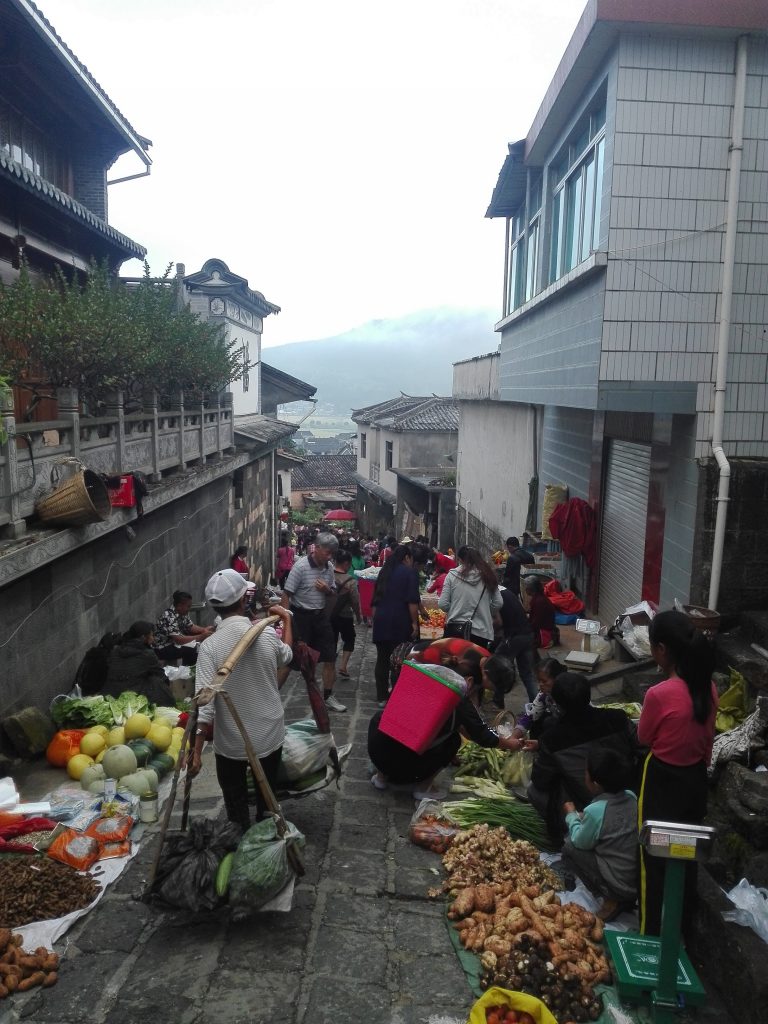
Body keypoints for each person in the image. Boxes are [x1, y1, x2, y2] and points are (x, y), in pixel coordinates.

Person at [188, 569, 294, 830]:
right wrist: (287, 621)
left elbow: (204, 705)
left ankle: (238, 830)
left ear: (214, 606)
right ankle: (266, 827)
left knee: (234, 805)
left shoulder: (210, 647)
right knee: (267, 800)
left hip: (232, 740)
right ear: (243, 600)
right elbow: (288, 657)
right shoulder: (266, 633)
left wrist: (196, 751)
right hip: (269, 732)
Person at [637, 609, 718, 938]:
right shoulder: (708, 688)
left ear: (661, 650)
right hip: (696, 781)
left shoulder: (658, 694)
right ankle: (680, 938)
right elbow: (708, 739)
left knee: (653, 862)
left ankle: (650, 937)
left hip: (662, 781)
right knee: (685, 855)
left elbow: (644, 738)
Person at [368, 654, 523, 799]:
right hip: (406, 766)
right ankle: (422, 789)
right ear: (468, 681)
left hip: (377, 751)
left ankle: (380, 778)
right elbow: (482, 734)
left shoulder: (424, 676)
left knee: (390, 721)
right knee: (454, 740)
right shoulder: (458, 699)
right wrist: (510, 743)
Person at [527, 672, 638, 843]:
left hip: (586, 800)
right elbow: (639, 746)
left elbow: (541, 780)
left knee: (534, 791)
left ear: (557, 704)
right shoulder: (617, 718)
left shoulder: (553, 738)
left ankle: (563, 831)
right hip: (626, 791)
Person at [561, 746, 638, 922]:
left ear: (595, 784)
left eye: (586, 773)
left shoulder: (596, 811)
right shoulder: (631, 797)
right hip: (634, 882)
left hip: (618, 884)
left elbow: (579, 841)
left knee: (569, 846)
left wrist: (571, 815)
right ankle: (620, 897)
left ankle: (611, 899)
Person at [281, 531, 346, 712]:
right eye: (327, 552)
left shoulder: (329, 568)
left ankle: (328, 695)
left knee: (330, 656)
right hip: (300, 618)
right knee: (291, 660)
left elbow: (333, 593)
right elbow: (287, 594)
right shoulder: (300, 567)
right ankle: (271, 695)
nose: (329, 556)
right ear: (316, 548)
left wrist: (327, 590)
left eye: (332, 553)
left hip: (320, 617)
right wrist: (286, 621)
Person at [371, 543, 421, 705]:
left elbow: (375, 600)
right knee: (398, 658)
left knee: (382, 659)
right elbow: (412, 603)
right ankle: (396, 694)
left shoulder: (385, 572)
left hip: (381, 619)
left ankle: (381, 696)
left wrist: (374, 620)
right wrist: (415, 623)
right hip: (399, 621)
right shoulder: (410, 573)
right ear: (407, 558)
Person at [438, 546, 503, 648]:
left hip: (455, 629)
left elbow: (442, 604)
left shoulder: (451, 575)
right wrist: (484, 612)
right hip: (481, 632)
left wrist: (456, 609)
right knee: (476, 662)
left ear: (460, 559)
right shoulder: (488, 575)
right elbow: (498, 602)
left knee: (453, 661)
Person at [102, 621, 174, 706]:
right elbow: (161, 676)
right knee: (157, 683)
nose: (153, 638)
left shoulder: (115, 649)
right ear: (143, 637)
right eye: (151, 635)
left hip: (110, 693)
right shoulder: (147, 654)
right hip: (129, 695)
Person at [495, 586, 537, 703]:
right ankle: (536, 705)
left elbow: (498, 622)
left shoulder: (494, 595)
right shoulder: (506, 591)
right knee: (527, 674)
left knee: (497, 666)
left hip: (514, 637)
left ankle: (498, 702)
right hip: (527, 634)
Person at [513, 657, 567, 747]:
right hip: (560, 724)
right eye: (539, 681)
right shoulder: (544, 695)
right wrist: (513, 738)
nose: (540, 685)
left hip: (572, 730)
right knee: (536, 722)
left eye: (544, 681)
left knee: (549, 722)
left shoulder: (567, 694)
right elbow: (530, 715)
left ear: (556, 678)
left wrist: (541, 745)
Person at [152, 590, 212, 665]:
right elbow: (179, 640)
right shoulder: (169, 616)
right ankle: (189, 671)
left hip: (174, 642)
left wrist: (204, 630)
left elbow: (190, 626)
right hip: (162, 648)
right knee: (192, 649)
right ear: (180, 606)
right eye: (188, 606)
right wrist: (201, 636)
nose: (189, 608)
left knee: (198, 644)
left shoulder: (182, 612)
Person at [330, 550, 361, 678]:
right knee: (349, 639)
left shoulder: (328, 576)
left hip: (330, 615)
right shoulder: (350, 581)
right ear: (346, 564)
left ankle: (329, 664)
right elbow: (355, 601)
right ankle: (343, 666)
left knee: (331, 640)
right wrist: (359, 616)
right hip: (345, 616)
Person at [524, 576, 558, 650]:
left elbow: (536, 623)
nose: (525, 589)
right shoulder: (538, 598)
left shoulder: (539, 601)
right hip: (542, 629)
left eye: (526, 587)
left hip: (543, 634)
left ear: (530, 589)